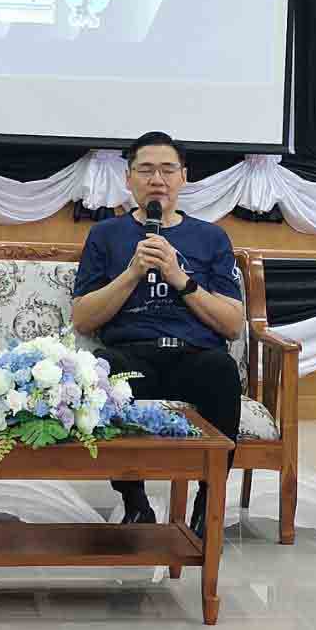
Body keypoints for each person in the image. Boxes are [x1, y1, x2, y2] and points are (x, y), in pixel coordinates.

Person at [72, 131, 247, 537]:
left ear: (183, 177)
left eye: (168, 170)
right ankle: (135, 503)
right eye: (146, 170)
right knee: (103, 370)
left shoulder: (211, 237)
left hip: (194, 356)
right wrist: (132, 273)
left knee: (221, 370)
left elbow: (233, 324)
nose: (157, 180)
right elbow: (82, 319)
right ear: (128, 178)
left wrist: (178, 277)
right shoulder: (106, 235)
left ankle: (208, 506)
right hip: (132, 355)